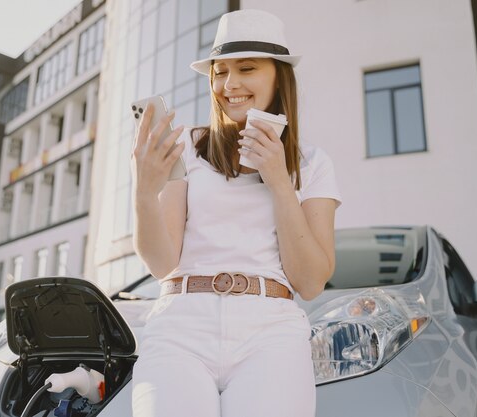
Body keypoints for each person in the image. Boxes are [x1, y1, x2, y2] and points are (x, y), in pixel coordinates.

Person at [130, 9, 341, 417]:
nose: (230, 84)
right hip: (181, 327)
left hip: (270, 332)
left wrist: (279, 180)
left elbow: (311, 281)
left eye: (247, 68)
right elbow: (161, 263)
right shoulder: (187, 146)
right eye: (220, 71)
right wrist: (143, 192)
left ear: (279, 76)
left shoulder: (312, 163)